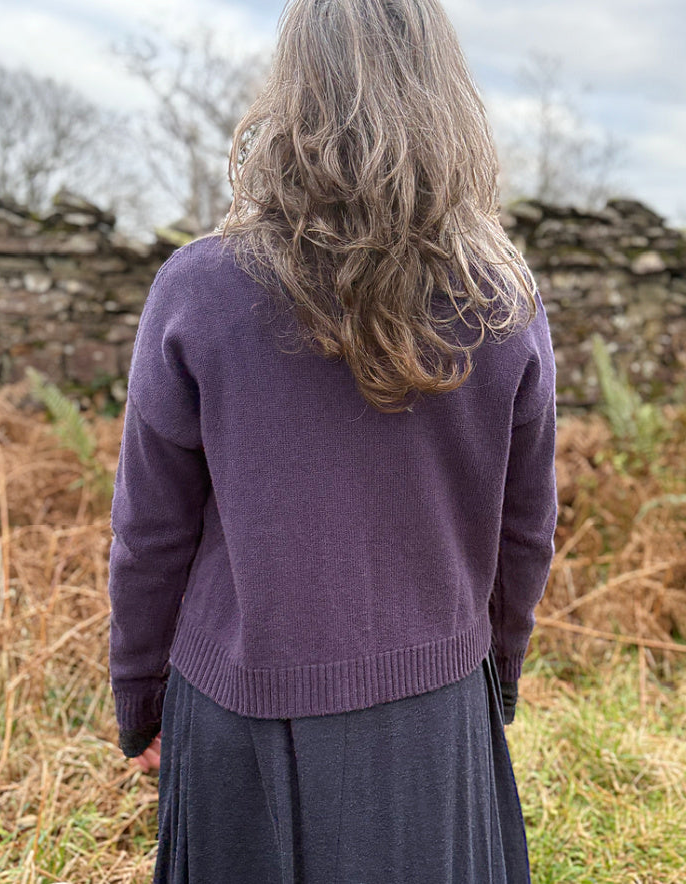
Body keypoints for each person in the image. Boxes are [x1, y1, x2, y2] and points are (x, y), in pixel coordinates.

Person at [107, 0, 557, 881]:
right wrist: (495, 675)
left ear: (293, 93)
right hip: (433, 718)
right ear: (444, 98)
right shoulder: (503, 304)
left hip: (235, 713)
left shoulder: (201, 288)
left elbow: (149, 533)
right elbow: (525, 531)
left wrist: (141, 695)